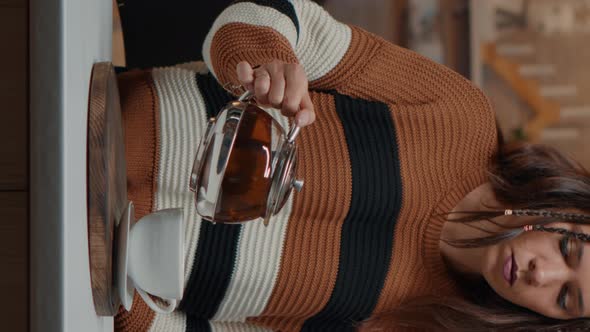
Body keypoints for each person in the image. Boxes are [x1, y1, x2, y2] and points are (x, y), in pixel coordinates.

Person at [114, 0, 590, 331]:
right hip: (92, 122)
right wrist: (267, 61)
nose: (541, 275)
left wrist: (117, 303)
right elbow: (288, 19)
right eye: (567, 248)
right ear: (568, 208)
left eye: (565, 299)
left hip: (84, 276)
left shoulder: (426, 325)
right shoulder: (460, 116)